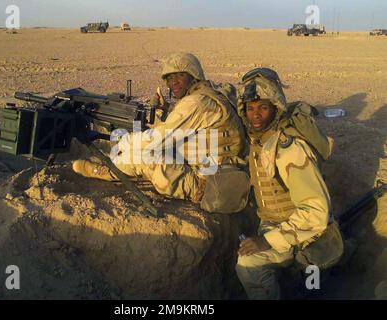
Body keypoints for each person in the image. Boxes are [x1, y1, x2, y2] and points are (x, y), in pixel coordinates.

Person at [72, 52, 249, 213]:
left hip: (208, 186)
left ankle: (102, 171)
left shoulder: (196, 103)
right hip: (224, 173)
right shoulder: (212, 93)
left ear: (193, 76)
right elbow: (189, 125)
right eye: (170, 78)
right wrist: (166, 110)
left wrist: (125, 141)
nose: (174, 82)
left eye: (180, 75)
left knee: (140, 154)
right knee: (150, 146)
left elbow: (157, 139)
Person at [235, 68, 344, 299]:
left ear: (276, 109)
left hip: (306, 235)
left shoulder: (289, 150)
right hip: (278, 227)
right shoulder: (259, 140)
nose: (255, 115)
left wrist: (267, 241)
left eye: (263, 108)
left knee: (248, 266)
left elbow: (316, 213)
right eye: (250, 108)